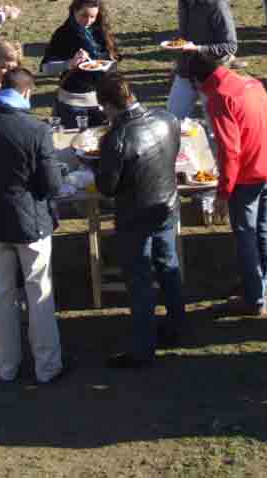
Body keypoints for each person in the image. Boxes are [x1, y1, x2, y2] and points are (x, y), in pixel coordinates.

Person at [0, 68, 67, 384]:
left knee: (1, 295)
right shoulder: (36, 129)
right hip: (31, 224)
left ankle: (6, 365)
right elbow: (51, 183)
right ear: (28, 94)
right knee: (39, 293)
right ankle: (47, 366)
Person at [93, 73, 185, 368]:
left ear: (108, 105)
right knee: (169, 268)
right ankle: (177, 326)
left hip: (136, 217)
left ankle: (143, 349)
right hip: (166, 207)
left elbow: (107, 186)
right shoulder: (167, 118)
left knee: (140, 281)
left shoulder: (117, 139)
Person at [189, 54, 267, 316]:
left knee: (245, 236)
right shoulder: (252, 83)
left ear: (198, 80)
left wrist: (223, 193)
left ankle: (254, 299)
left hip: (247, 176)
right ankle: (264, 283)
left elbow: (230, 151)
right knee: (264, 226)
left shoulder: (219, 97)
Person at [166, 0, 238, 120]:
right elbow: (186, 34)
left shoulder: (217, 4)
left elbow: (231, 46)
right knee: (172, 120)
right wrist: (177, 43)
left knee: (216, 130)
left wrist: (198, 49)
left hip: (212, 74)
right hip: (187, 71)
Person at [41, 0, 120, 129]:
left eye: (93, 17)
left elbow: (115, 60)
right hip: (72, 104)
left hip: (100, 102)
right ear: (74, 11)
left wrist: (105, 64)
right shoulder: (63, 34)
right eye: (84, 16)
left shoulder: (100, 30)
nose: (88, 21)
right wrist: (69, 64)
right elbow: (45, 68)